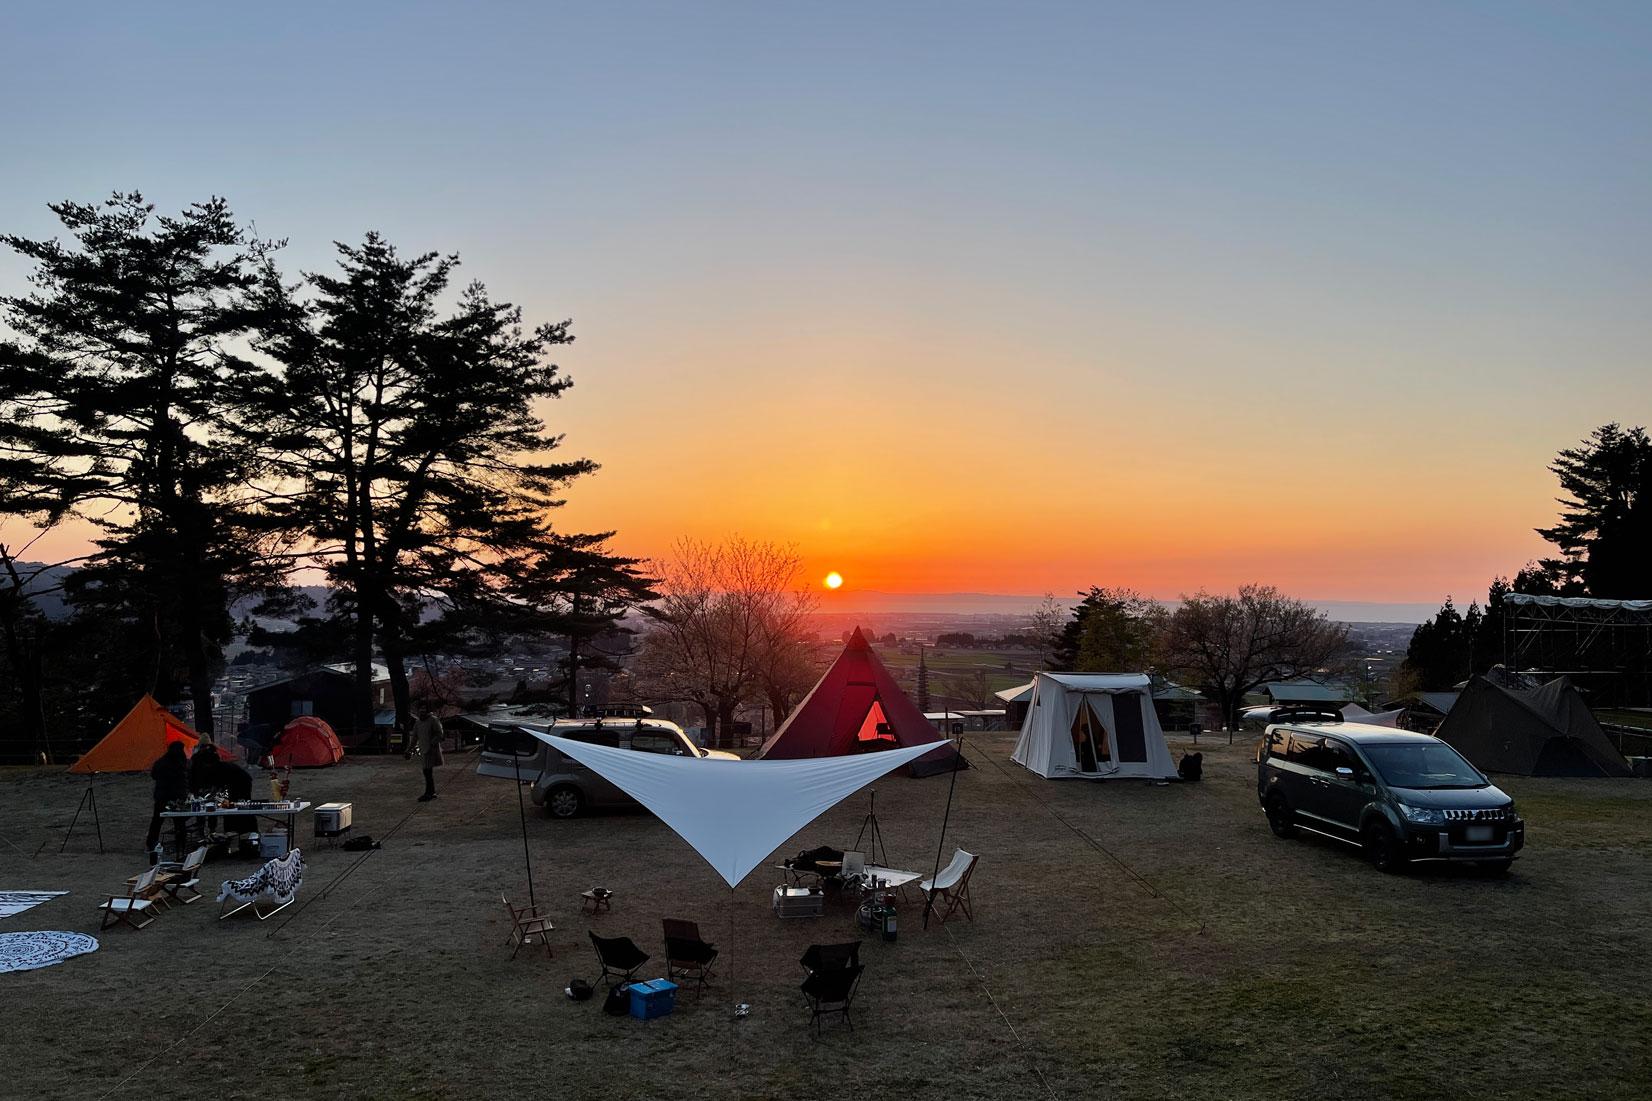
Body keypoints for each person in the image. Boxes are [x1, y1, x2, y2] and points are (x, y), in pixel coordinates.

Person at [145, 740, 191, 856]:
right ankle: (181, 843)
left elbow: (154, 775)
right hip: (177, 797)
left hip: (162, 796)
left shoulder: (161, 762)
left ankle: (151, 842)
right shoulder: (181, 762)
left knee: (157, 820)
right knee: (179, 821)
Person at [407, 702, 445, 802]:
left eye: (424, 709)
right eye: (421, 709)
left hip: (431, 749)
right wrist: (409, 749)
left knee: (427, 771)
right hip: (423, 749)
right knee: (427, 772)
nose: (422, 711)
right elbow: (415, 737)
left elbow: (440, 734)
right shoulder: (418, 722)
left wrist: (433, 743)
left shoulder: (433, 720)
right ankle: (431, 792)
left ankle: (429, 793)